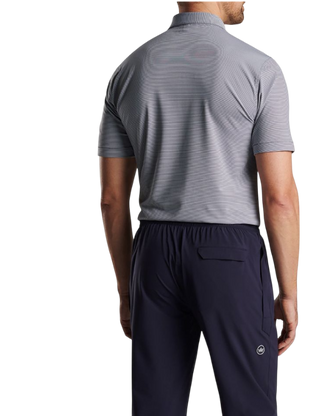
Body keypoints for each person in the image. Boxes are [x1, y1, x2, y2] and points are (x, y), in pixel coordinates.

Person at [95, 1, 302, 415]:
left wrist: (125, 292)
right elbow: (279, 196)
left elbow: (111, 199)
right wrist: (289, 293)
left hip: (154, 252)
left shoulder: (127, 71)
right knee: (250, 405)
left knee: (155, 406)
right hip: (229, 250)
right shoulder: (260, 68)